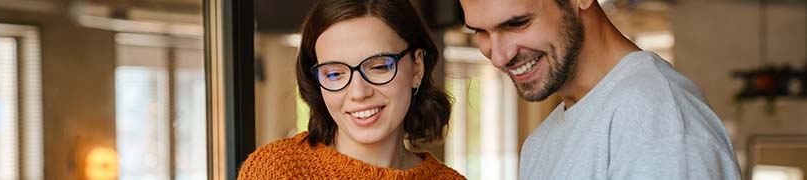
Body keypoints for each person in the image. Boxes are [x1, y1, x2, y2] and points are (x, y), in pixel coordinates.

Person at [460, 0, 742, 179]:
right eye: (480, 32)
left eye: (518, 23)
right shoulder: (540, 142)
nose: (498, 56)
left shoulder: (657, 124)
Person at [238, 0, 465, 179]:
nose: (358, 92)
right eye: (335, 74)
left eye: (378, 67)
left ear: (417, 68)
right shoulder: (276, 171)